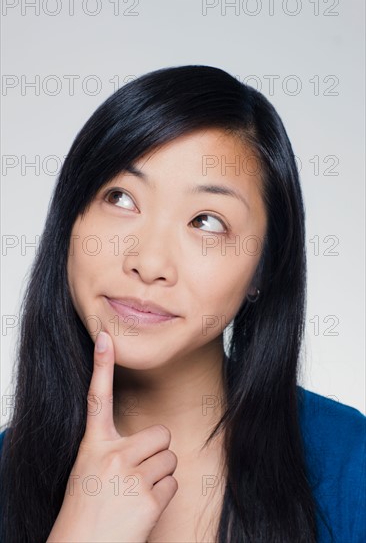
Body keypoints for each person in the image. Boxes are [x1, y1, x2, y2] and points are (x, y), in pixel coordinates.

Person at [0, 65, 364, 543]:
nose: (149, 263)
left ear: (261, 269)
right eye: (121, 197)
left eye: (207, 222)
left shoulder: (348, 464)